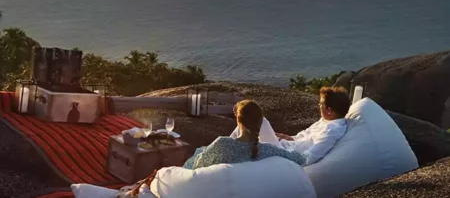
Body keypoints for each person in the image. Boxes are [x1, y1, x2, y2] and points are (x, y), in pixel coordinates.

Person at [119, 100, 304, 197]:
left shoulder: (223, 144)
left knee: (159, 175)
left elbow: (192, 167)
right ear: (260, 122)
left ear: (237, 119)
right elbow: (299, 159)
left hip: (201, 184)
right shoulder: (266, 150)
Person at [275, 86, 350, 165]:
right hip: (286, 146)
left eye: (321, 104)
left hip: (286, 154)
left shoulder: (332, 130)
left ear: (329, 110)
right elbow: (307, 133)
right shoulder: (326, 120)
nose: (319, 105)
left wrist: (279, 152)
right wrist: (291, 138)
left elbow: (310, 156)